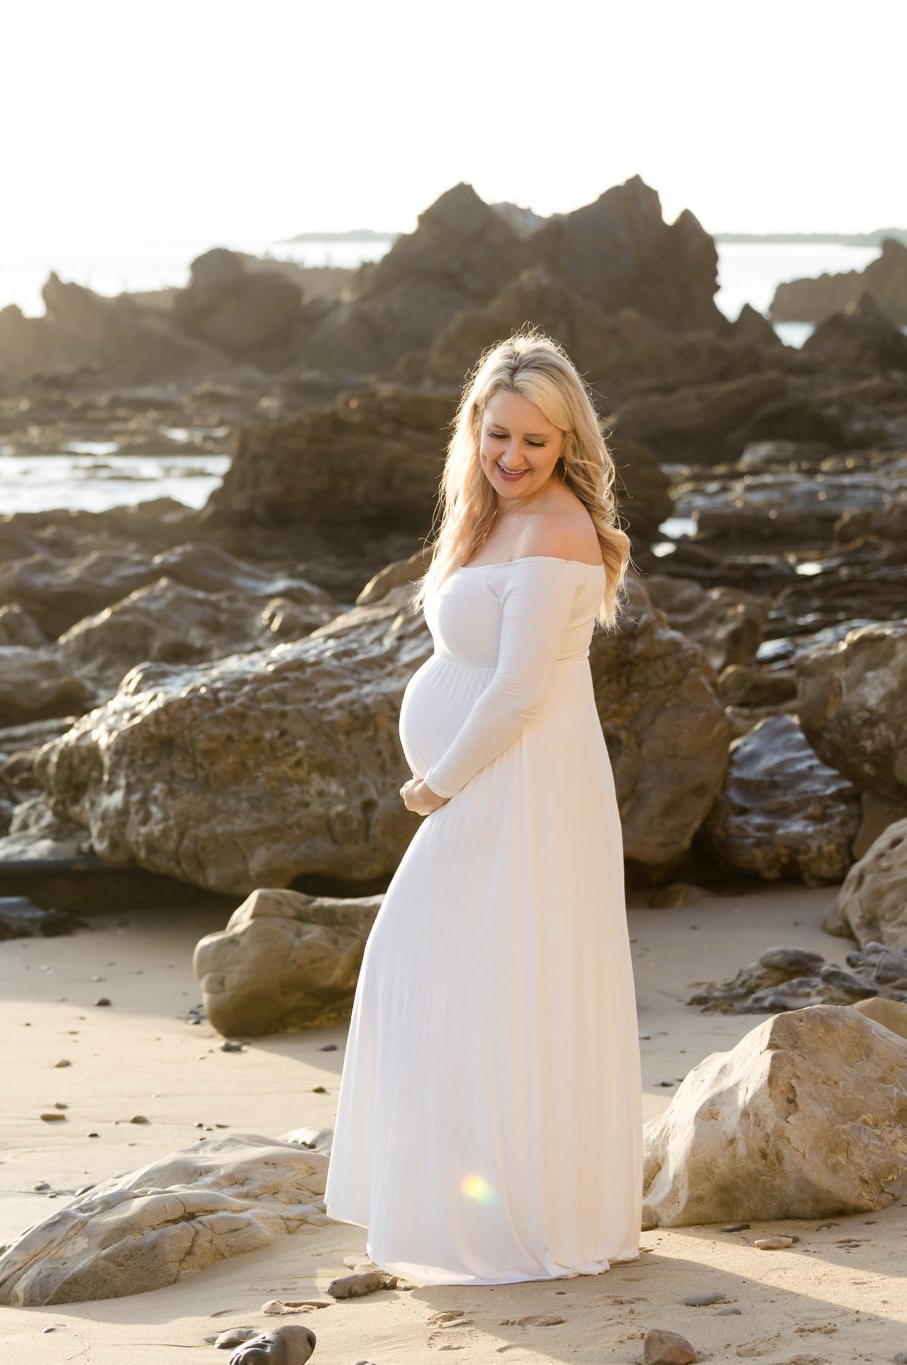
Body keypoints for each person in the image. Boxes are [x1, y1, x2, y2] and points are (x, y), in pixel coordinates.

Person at [322, 327, 644, 1285]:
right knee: (456, 975)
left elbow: (515, 691)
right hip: (497, 778)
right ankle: (443, 1200)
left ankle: (522, 1217)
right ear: (476, 425)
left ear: (567, 446)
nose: (513, 457)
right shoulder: (488, 514)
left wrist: (437, 783)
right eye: (499, 434)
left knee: (483, 975)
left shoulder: (558, 527)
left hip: (523, 785)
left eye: (536, 444)